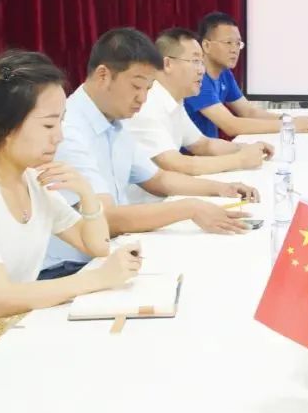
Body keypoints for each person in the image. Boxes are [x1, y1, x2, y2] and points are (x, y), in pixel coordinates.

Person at [0, 51, 142, 396]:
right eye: (49, 125)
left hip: (10, 329)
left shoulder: (31, 180)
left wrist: (87, 193)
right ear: (8, 127)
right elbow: (1, 297)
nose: (59, 136)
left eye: (61, 122)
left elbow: (94, 244)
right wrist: (98, 278)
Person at [42, 28, 258, 280]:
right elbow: (106, 217)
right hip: (70, 267)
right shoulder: (67, 130)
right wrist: (190, 208)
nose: (142, 99)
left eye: (148, 88)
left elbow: (157, 179)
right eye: (136, 86)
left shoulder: (115, 120)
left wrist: (221, 189)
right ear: (103, 75)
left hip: (110, 252)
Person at [125, 28, 274, 202]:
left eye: (202, 62)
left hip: (169, 199)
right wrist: (240, 160)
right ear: (167, 64)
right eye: (195, 61)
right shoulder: (146, 105)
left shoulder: (174, 100)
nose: (202, 70)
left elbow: (203, 145)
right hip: (144, 208)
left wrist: (245, 148)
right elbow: (177, 164)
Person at [184, 11, 308, 138]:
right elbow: (231, 126)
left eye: (238, 44)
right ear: (206, 46)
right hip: (192, 154)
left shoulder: (224, 73)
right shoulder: (196, 78)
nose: (234, 49)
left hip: (211, 149)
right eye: (228, 43)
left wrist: (290, 119)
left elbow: (249, 112)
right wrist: (290, 125)